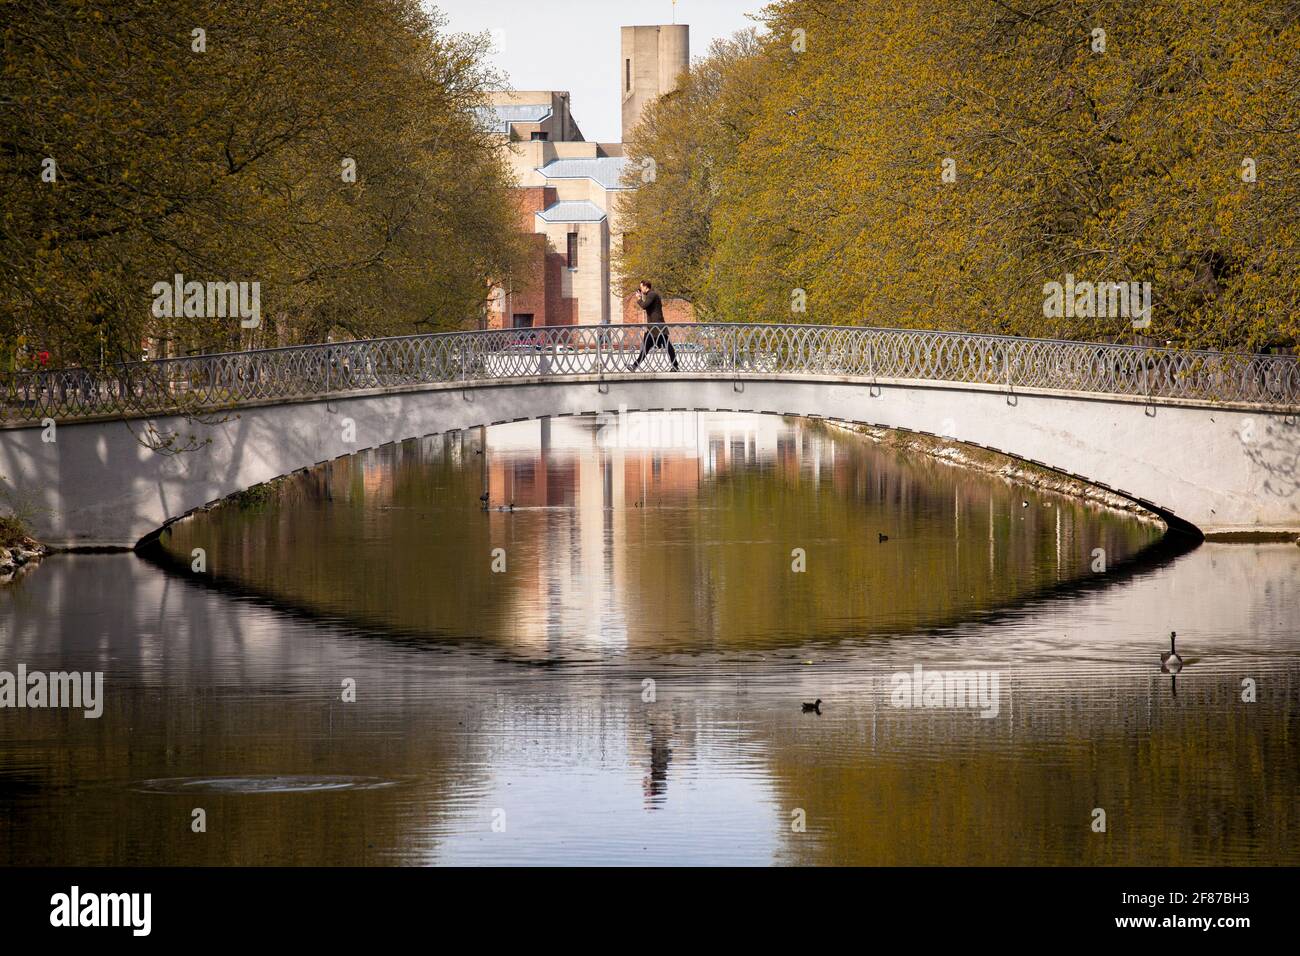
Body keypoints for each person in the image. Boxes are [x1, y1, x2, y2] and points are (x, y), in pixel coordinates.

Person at [629, 280, 679, 371]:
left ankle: (675, 366)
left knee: (667, 346)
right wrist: (642, 297)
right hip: (653, 327)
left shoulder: (652, 294)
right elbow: (647, 305)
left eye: (641, 287)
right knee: (648, 348)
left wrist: (639, 298)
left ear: (645, 286)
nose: (640, 289)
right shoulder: (650, 295)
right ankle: (634, 366)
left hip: (657, 327)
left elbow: (644, 305)